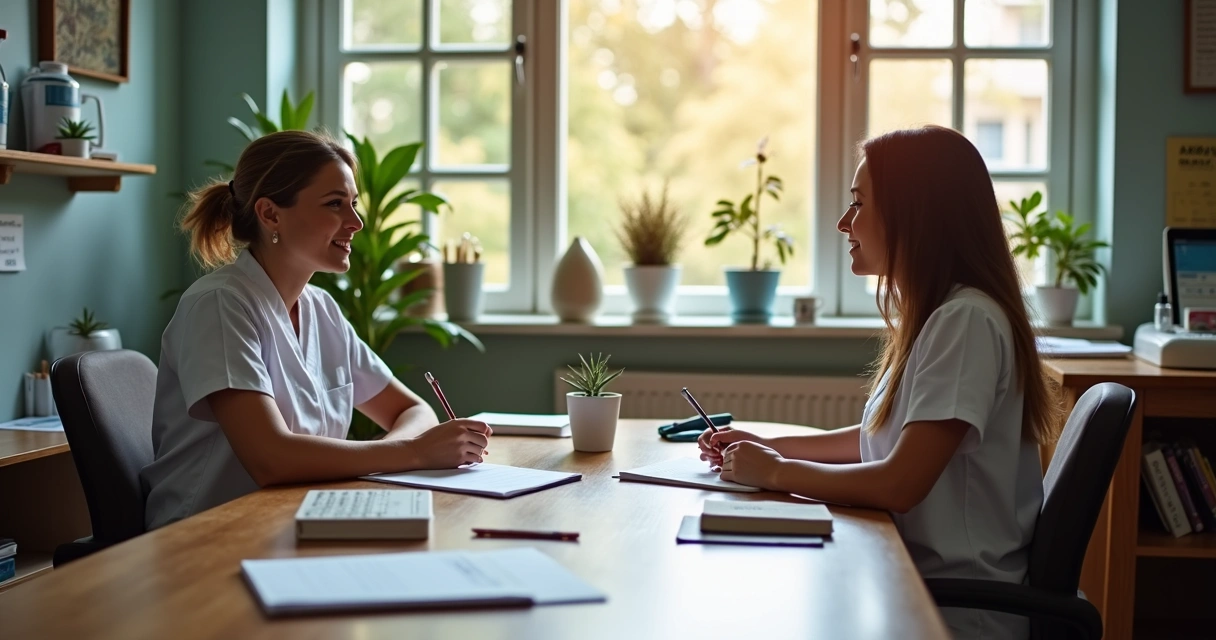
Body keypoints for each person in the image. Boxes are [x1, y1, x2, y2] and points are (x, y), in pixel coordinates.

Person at [699, 126, 1063, 640]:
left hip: (954, 612)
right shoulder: (942, 314)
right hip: (910, 580)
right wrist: (764, 446)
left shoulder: (966, 322)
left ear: (915, 215)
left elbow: (899, 482)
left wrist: (778, 473)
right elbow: (880, 441)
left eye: (858, 203)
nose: (844, 222)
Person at [141, 130, 491, 530]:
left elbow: (414, 409)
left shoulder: (321, 309)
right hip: (207, 535)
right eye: (334, 204)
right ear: (270, 214)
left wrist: (409, 450)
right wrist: (413, 453)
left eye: (354, 204)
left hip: (302, 518)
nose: (356, 222)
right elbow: (270, 458)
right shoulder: (220, 305)